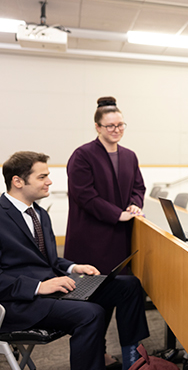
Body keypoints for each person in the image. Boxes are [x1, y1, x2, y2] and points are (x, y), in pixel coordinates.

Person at [0, 151, 149, 370]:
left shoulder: (39, 213)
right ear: (18, 181)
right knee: (91, 314)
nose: (49, 181)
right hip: (19, 303)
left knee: (129, 286)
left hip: (52, 290)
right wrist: (39, 286)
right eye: (42, 177)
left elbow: (46, 260)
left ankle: (132, 361)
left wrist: (72, 267)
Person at [64, 96, 145, 275]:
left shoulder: (129, 156)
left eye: (120, 125)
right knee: (93, 290)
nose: (116, 130)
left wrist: (134, 204)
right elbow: (85, 196)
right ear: (98, 127)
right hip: (92, 234)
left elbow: (138, 187)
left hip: (121, 235)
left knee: (123, 284)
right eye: (110, 126)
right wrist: (118, 215)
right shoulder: (82, 155)